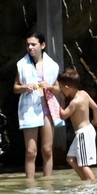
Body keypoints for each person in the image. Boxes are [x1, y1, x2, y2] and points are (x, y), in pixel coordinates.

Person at [13, 32, 59, 185]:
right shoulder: (22, 65)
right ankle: (30, 184)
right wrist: (24, 86)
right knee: (31, 151)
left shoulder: (52, 65)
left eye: (33, 44)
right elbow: (15, 88)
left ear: (42, 45)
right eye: (28, 45)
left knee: (47, 150)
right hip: (30, 109)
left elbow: (58, 89)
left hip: (47, 110)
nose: (30, 47)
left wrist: (50, 86)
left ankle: (48, 183)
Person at [55, 68, 97, 182]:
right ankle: (85, 181)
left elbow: (63, 115)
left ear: (67, 88)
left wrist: (62, 101)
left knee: (83, 164)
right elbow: (96, 108)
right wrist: (96, 121)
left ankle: (93, 186)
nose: (61, 90)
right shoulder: (84, 93)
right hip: (85, 131)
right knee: (70, 159)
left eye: (61, 88)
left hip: (83, 133)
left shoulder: (75, 102)